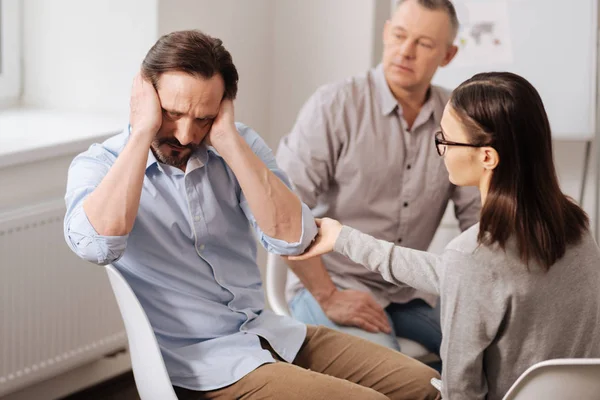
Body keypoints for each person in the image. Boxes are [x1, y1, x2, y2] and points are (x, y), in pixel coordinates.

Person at [63, 30, 440, 400]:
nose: (184, 135)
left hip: (270, 332)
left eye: (203, 119)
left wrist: (227, 140)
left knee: (428, 386)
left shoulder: (237, 145)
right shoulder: (99, 166)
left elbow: (293, 238)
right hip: (201, 366)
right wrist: (143, 131)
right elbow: (97, 246)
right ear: (143, 94)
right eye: (171, 113)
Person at [288, 71, 600, 400]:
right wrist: (343, 239)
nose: (442, 151)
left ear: (487, 156)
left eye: (446, 141)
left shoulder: (473, 256)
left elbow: (460, 392)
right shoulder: (577, 227)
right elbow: (466, 277)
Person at [276, 0, 480, 362]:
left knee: (488, 350)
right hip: (332, 283)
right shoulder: (334, 105)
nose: (406, 51)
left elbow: (479, 220)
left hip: (408, 290)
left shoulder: (456, 119)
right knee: (391, 372)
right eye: (400, 36)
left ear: (447, 55)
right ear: (386, 33)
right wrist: (328, 297)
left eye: (424, 44)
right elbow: (282, 211)